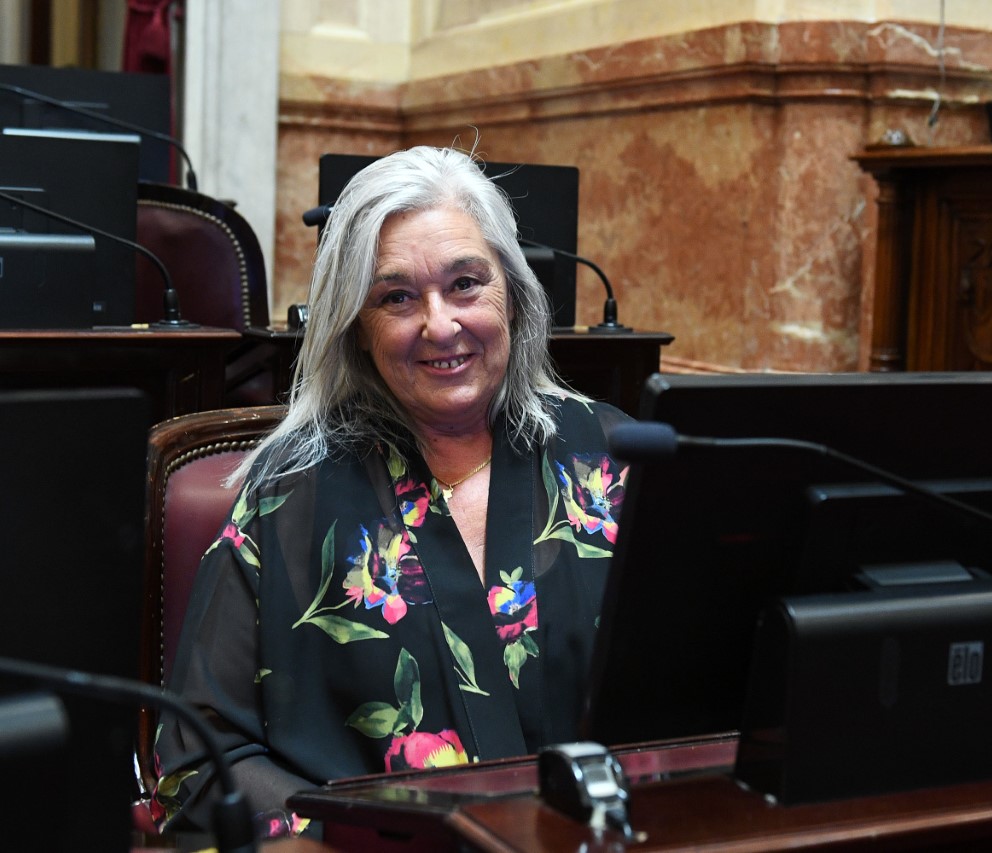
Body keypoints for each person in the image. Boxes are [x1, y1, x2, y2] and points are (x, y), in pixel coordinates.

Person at [149, 145, 633, 838]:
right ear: (357, 327)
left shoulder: (609, 457)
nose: (440, 324)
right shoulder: (291, 492)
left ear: (515, 295)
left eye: (465, 283)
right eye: (397, 297)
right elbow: (199, 758)